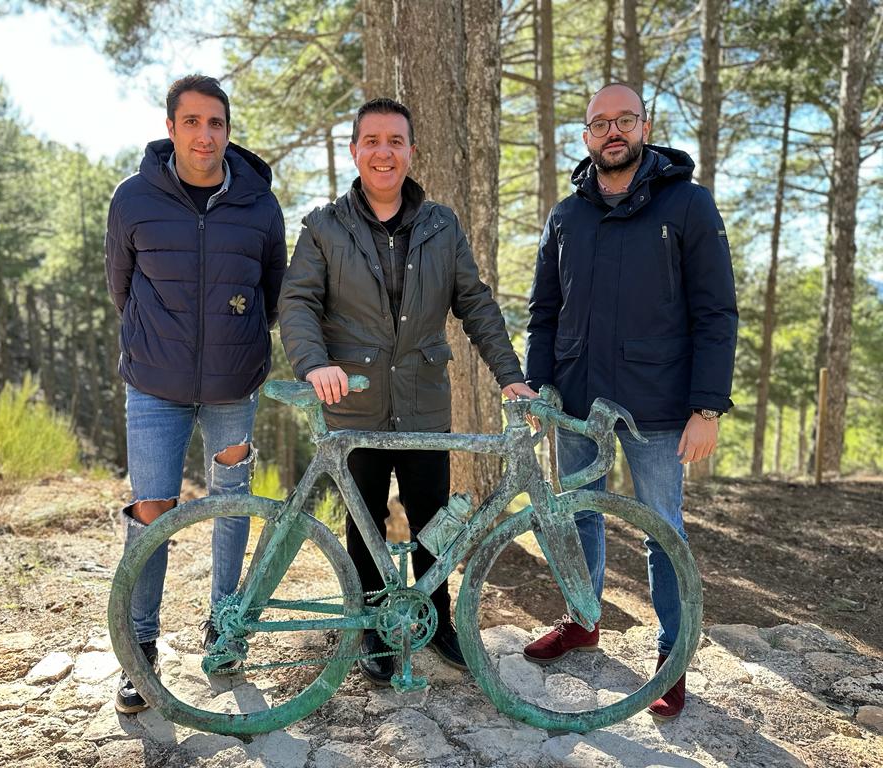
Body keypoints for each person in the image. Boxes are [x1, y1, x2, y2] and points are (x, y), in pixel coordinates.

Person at [278, 97, 535, 684]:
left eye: (395, 140)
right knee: (364, 522)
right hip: (355, 403)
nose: (384, 151)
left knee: (431, 519)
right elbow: (297, 302)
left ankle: (437, 620)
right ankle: (371, 628)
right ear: (354, 151)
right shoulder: (323, 225)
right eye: (372, 140)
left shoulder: (441, 225)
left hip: (423, 402)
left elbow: (475, 305)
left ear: (411, 151)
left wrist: (510, 375)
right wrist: (314, 364)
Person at [522, 83, 738, 720]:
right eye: (599, 123)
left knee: (661, 530)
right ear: (586, 136)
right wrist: (540, 387)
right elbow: (543, 311)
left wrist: (707, 407)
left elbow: (716, 311)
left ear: (644, 126)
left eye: (624, 120)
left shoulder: (689, 205)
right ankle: (583, 620)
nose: (611, 132)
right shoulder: (567, 215)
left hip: (661, 403)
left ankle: (672, 658)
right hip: (577, 398)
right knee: (577, 516)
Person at [105, 74, 286, 713]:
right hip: (154, 387)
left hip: (234, 385)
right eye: (192, 122)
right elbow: (122, 288)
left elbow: (270, 291)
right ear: (171, 127)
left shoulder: (260, 203)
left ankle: (226, 630)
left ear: (228, 130)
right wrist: (164, 343)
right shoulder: (133, 198)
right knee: (152, 512)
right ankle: (141, 652)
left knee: (231, 504)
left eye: (216, 123)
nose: (204, 135)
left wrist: (228, 344)